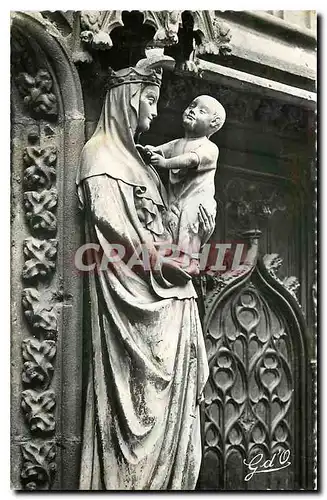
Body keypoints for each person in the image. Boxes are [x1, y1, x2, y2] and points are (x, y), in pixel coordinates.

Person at [76, 55, 213, 490]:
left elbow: (170, 228)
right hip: (138, 311)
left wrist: (197, 236)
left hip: (173, 305)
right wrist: (171, 262)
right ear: (129, 98)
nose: (156, 113)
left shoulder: (143, 161)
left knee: (179, 435)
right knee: (136, 428)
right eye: (150, 101)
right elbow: (120, 238)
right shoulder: (100, 158)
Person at [140, 95, 225, 275]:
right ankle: (171, 252)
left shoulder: (209, 148)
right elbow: (163, 149)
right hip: (177, 197)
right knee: (173, 220)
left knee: (189, 219)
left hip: (198, 199)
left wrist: (164, 163)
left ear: (214, 123)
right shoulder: (179, 143)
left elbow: (190, 160)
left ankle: (190, 261)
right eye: (192, 105)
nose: (193, 110)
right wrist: (151, 150)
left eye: (202, 111)